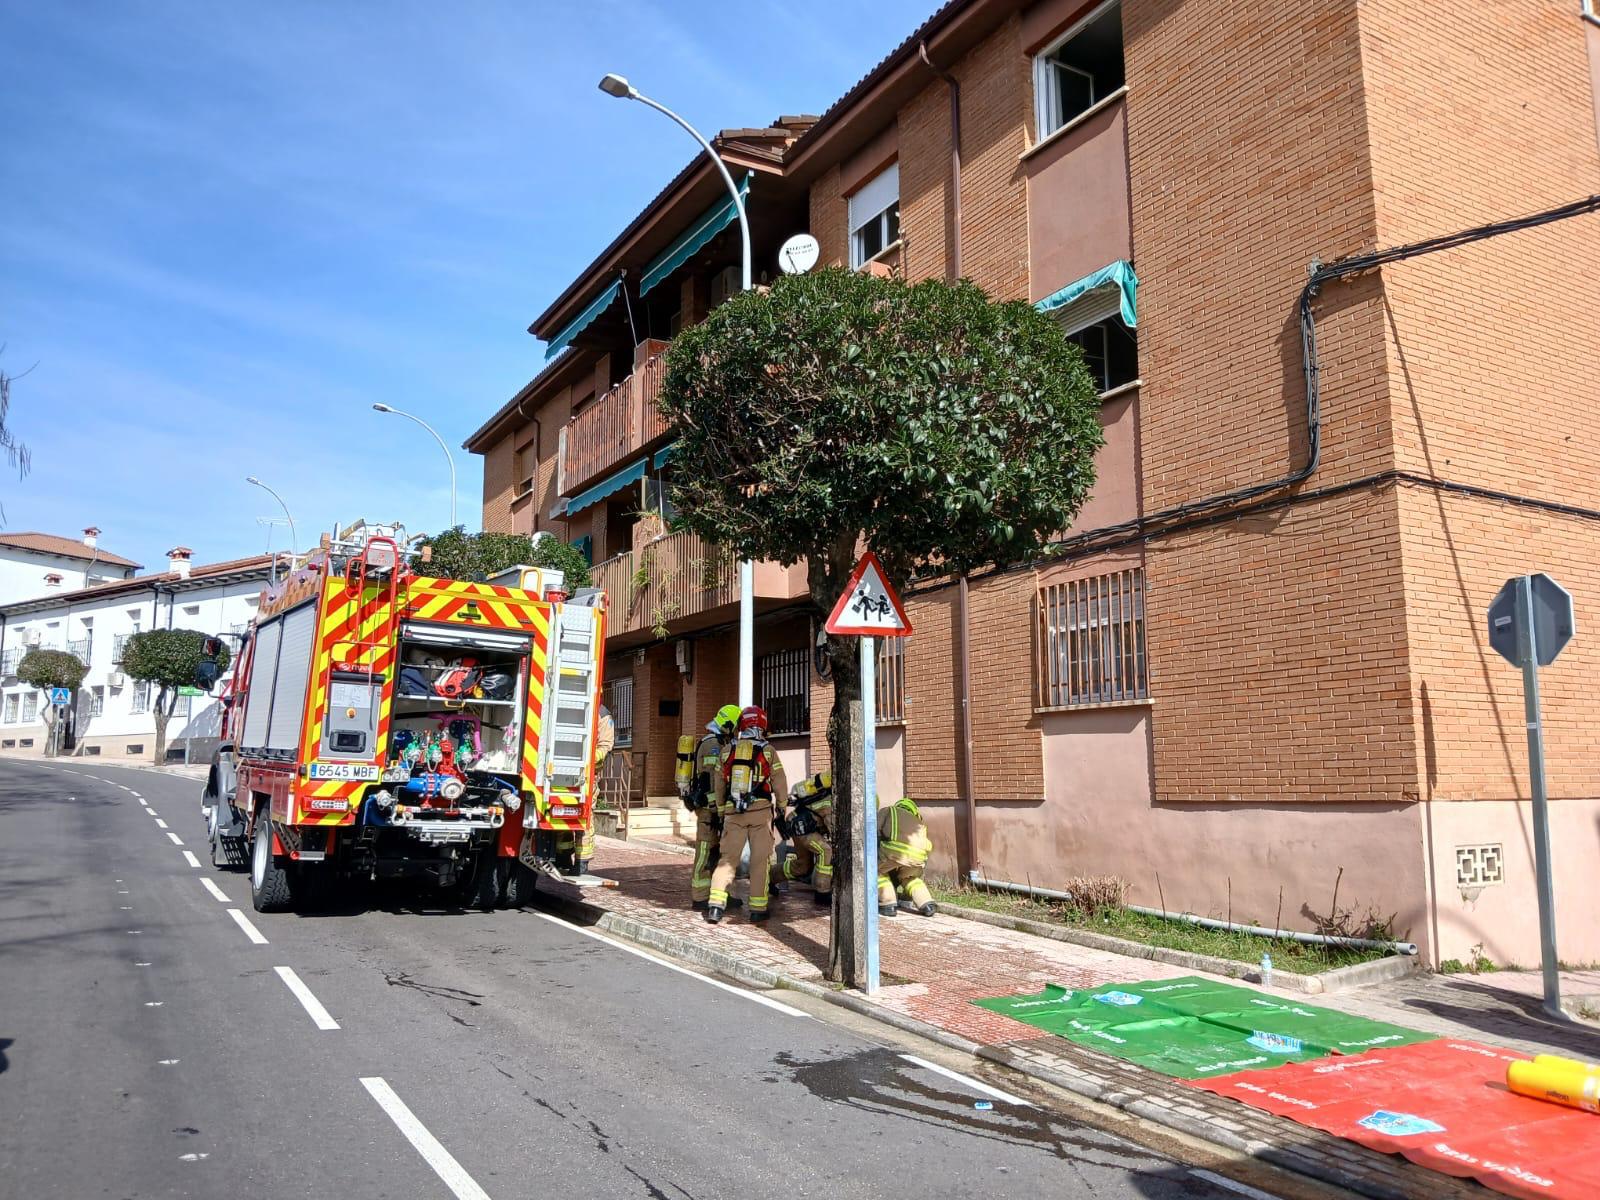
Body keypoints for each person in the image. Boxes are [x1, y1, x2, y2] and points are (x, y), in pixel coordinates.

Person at [705, 705, 787, 925]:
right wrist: (782, 805)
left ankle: (715, 906)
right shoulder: (768, 750)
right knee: (760, 862)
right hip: (760, 814)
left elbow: (719, 784)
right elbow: (779, 781)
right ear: (762, 724)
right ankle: (758, 910)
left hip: (733, 814)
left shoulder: (726, 750)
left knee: (727, 860)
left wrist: (722, 811)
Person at [682, 703, 741, 910]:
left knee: (723, 853)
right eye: (735, 727)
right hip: (709, 809)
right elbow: (712, 780)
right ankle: (699, 897)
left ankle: (723, 893)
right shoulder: (711, 745)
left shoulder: (721, 741)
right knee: (705, 852)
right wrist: (717, 808)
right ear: (728, 725)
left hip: (718, 809)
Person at [779, 771, 834, 906]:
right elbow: (834, 828)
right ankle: (822, 893)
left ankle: (769, 877)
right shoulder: (831, 803)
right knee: (826, 850)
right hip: (802, 828)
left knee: (803, 866)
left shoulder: (826, 794)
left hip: (797, 824)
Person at [877, 795, 935, 917]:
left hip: (894, 853)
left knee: (876, 872)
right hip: (918, 858)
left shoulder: (890, 811)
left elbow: (872, 829)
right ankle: (927, 904)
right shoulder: (918, 821)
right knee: (909, 879)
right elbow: (928, 846)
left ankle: (888, 905)